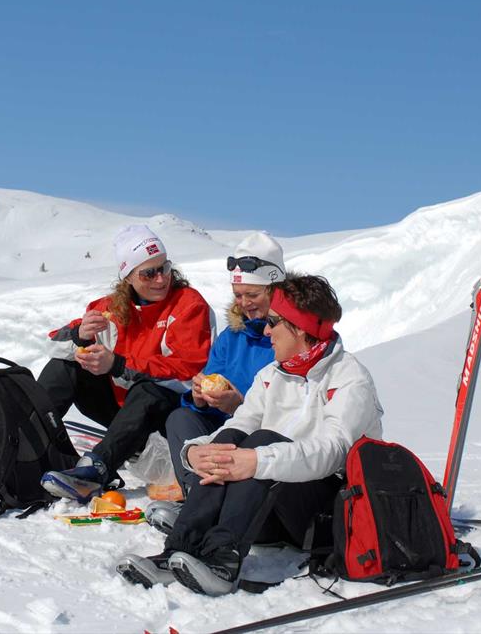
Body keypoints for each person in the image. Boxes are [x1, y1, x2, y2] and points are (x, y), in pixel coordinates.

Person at [118, 274, 384, 596]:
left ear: (299, 328)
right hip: (270, 509)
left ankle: (223, 561)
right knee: (226, 443)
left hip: (324, 518)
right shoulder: (272, 373)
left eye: (274, 322)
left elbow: (333, 451)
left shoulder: (349, 378)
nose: (266, 330)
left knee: (261, 442)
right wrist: (195, 452)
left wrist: (258, 460)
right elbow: (241, 422)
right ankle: (178, 548)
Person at [38, 224, 214, 503]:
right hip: (122, 413)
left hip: (166, 418)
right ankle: (26, 448)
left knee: (148, 390)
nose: (161, 279)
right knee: (66, 366)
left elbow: (188, 369)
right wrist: (79, 336)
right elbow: (52, 345)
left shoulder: (189, 304)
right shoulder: (108, 307)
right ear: (128, 276)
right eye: (149, 273)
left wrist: (119, 365)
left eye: (165, 268)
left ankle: (96, 471)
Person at [145, 233, 285, 532]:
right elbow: (207, 390)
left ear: (275, 291)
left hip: (262, 441)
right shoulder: (231, 336)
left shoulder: (289, 337)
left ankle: (216, 512)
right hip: (224, 434)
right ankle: (199, 499)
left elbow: (292, 411)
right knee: (181, 417)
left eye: (253, 295)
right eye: (238, 295)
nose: (244, 303)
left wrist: (240, 406)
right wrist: (198, 397)